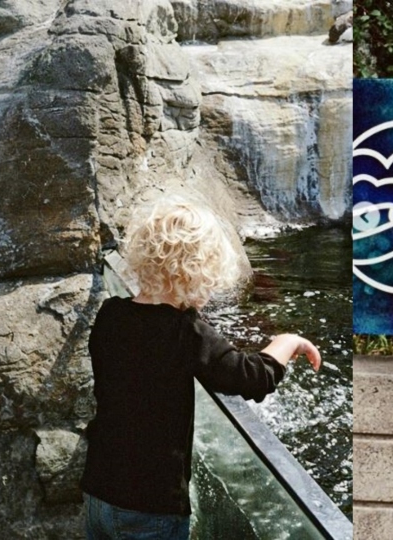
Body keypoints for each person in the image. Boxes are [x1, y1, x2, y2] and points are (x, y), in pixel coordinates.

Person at [79, 198, 322, 540]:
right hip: (150, 509)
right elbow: (252, 377)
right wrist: (286, 341)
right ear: (193, 274)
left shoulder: (110, 314)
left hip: (98, 493)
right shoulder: (185, 332)